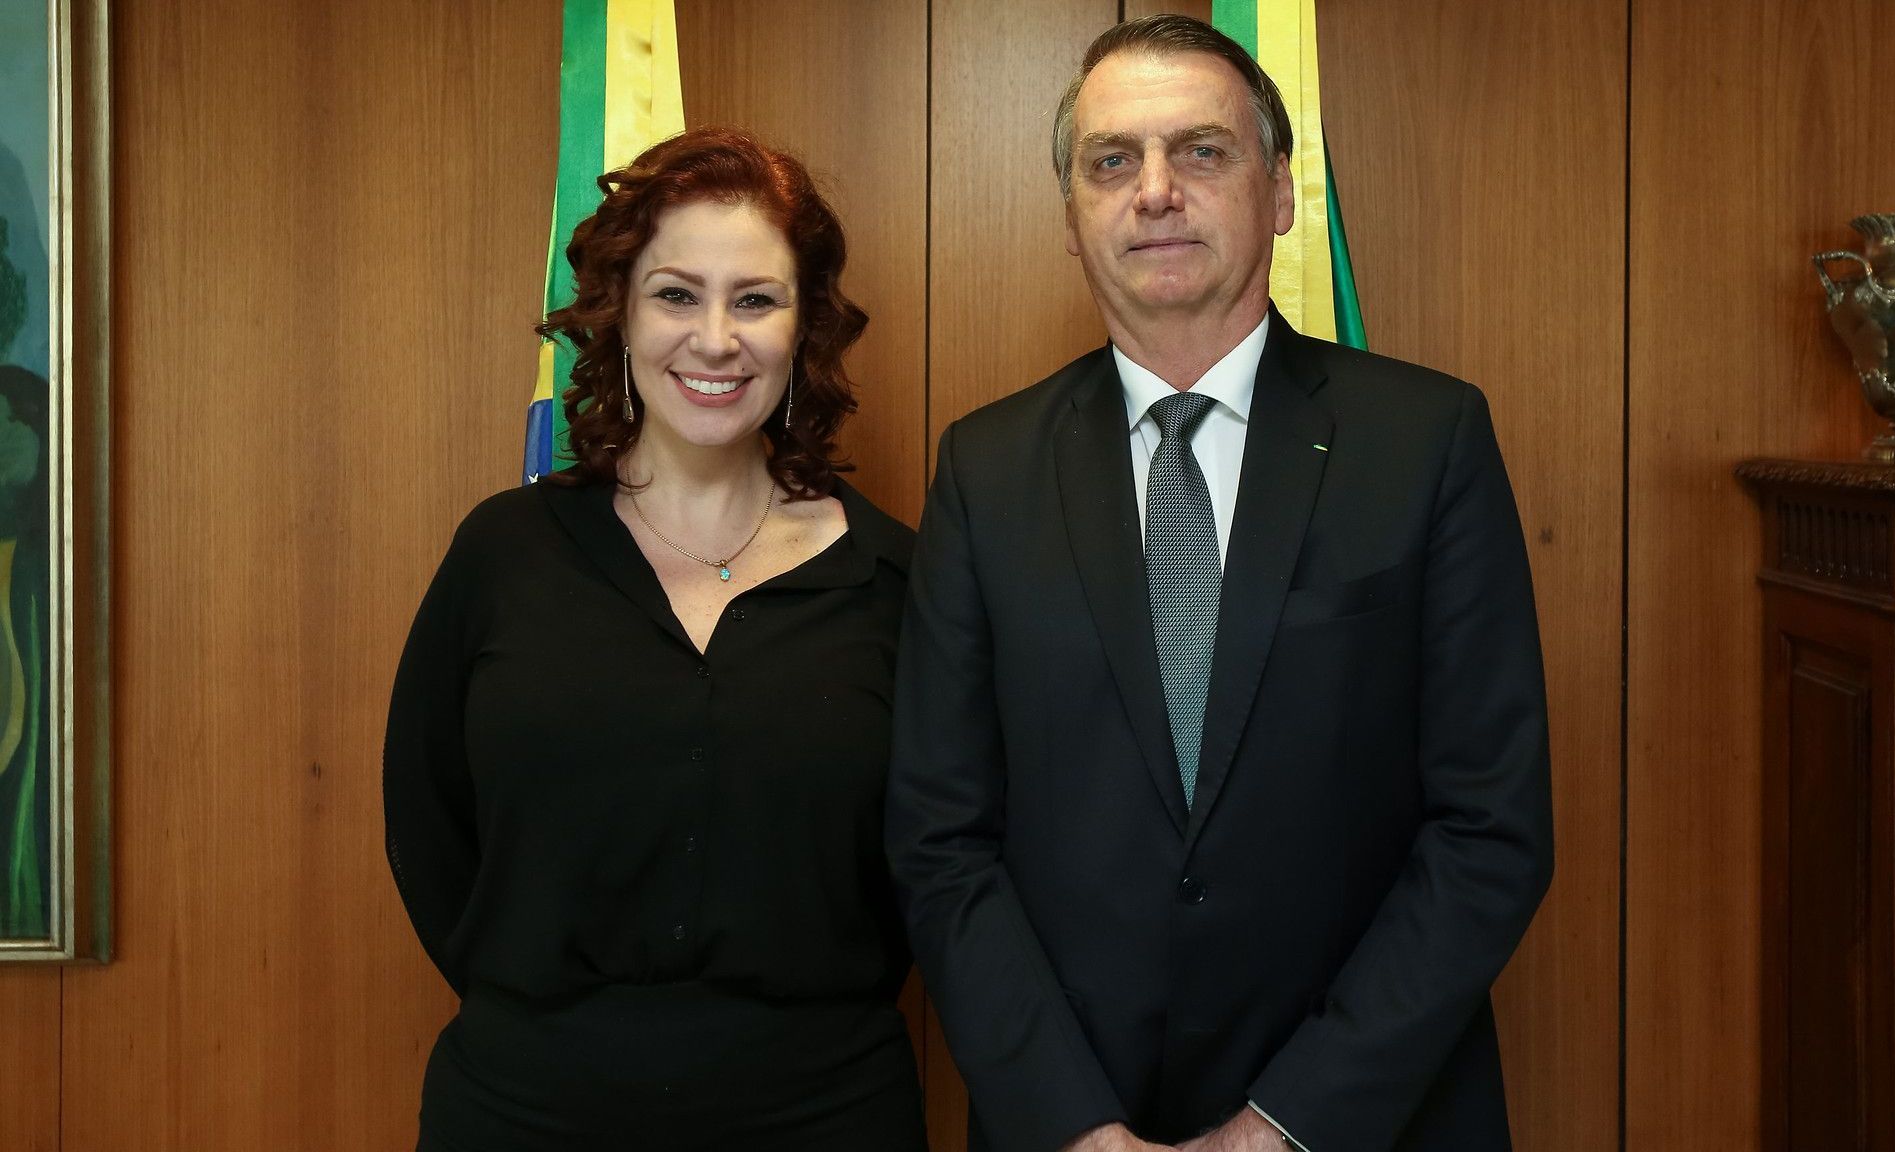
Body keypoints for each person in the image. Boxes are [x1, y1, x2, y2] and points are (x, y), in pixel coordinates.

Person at [887, 15, 1552, 1152]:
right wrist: (1072, 1124)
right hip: (1073, 1122)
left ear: (1280, 192)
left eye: (1201, 151)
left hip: (1360, 1119)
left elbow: (1489, 829)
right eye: (1112, 161)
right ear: (1070, 218)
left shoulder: (1425, 440)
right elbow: (939, 839)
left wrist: (1280, 1127)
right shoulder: (985, 470)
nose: (1155, 191)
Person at [384, 127, 927, 1152]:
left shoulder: (897, 582)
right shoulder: (505, 554)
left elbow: (936, 865)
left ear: (804, 326)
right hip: (524, 1111)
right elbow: (427, 819)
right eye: (677, 294)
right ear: (621, 314)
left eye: (754, 300)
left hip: (824, 1112)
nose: (715, 339)